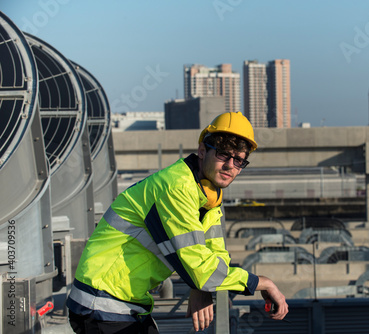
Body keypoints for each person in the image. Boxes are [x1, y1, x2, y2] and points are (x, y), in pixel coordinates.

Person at [67, 111, 288, 333]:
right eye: (223, 155)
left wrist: (200, 288)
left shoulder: (208, 196)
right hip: (102, 300)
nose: (231, 165)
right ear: (202, 151)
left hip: (123, 302)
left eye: (239, 160)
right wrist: (262, 283)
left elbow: (214, 254)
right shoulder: (177, 187)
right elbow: (200, 268)